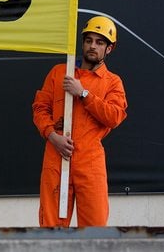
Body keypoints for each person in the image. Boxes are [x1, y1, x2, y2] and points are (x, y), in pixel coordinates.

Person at [32, 15, 127, 227]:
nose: (92, 46)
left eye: (99, 42)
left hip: (90, 161)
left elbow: (114, 116)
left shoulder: (113, 82)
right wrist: (52, 135)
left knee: (95, 229)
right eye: (88, 40)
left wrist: (83, 94)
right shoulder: (59, 73)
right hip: (56, 157)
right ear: (82, 43)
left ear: (109, 49)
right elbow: (40, 109)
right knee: (51, 228)